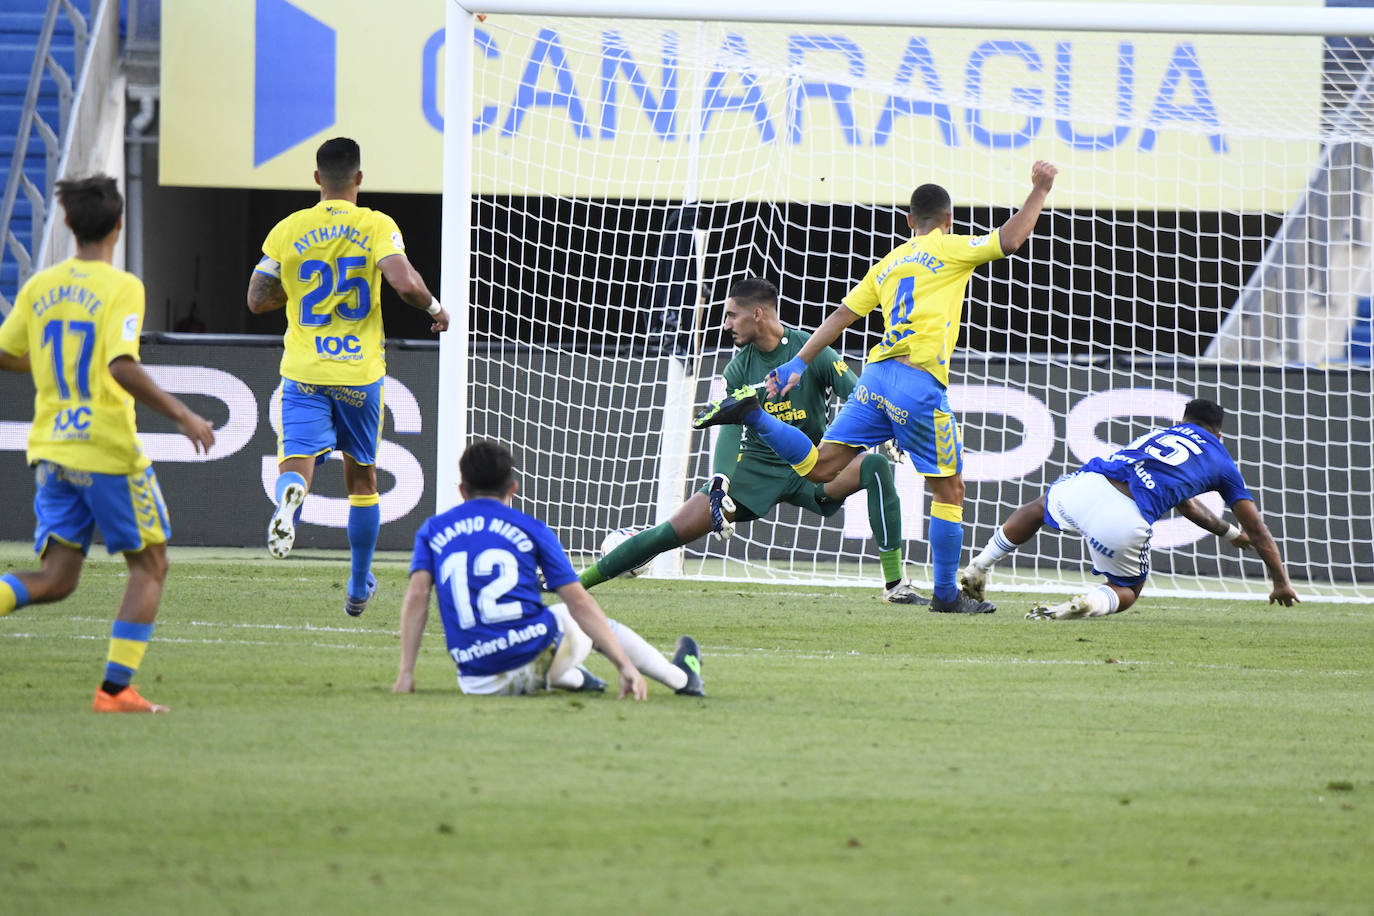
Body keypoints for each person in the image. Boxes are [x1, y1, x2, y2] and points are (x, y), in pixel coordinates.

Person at [694, 162, 1059, 614]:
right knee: (950, 490)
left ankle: (754, 416)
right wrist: (1041, 189)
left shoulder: (887, 264)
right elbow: (1011, 239)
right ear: (947, 220)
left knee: (820, 467)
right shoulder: (949, 246)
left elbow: (841, 317)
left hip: (875, 378)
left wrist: (797, 362)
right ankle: (946, 596)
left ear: (909, 222)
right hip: (916, 382)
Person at [0, 175, 216, 713]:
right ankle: (115, 690)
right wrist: (184, 413)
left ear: (68, 224)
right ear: (119, 225)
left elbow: (5, 353)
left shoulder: (39, 287)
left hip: (52, 447)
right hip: (105, 449)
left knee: (56, 578)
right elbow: (121, 365)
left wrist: (49, 365)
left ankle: (115, 690)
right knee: (150, 565)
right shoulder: (123, 287)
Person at [584, 276, 926, 604]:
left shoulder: (813, 353)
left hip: (814, 468)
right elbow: (731, 431)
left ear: (757, 314)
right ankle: (573, 582)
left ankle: (895, 585)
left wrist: (889, 428)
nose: (726, 324)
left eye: (732, 315)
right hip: (755, 471)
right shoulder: (737, 370)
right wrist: (719, 480)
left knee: (876, 466)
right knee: (667, 534)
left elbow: (859, 394)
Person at [246, 137, 449, 617]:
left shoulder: (287, 229)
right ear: (359, 178)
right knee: (362, 480)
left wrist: (294, 297)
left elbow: (257, 297)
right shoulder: (376, 224)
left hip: (303, 371)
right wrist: (437, 309)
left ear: (317, 178)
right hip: (359, 373)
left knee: (295, 460)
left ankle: (289, 501)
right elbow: (404, 284)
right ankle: (358, 586)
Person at [392, 440, 705, 699]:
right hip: (535, 657)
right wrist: (624, 665)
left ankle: (577, 679)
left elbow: (417, 596)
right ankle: (681, 678)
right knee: (575, 617)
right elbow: (579, 603)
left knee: (552, 625)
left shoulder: (432, 530)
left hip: (476, 681)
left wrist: (406, 673)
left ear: (462, 490)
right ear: (512, 488)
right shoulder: (532, 529)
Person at [958, 398, 1299, 619]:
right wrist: (1280, 581)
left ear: (1183, 420)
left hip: (1086, 485)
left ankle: (979, 565)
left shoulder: (1159, 435)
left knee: (1038, 507)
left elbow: (1189, 508)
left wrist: (1227, 532)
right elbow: (1258, 530)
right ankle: (1089, 603)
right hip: (1125, 517)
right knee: (1129, 589)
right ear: (1219, 434)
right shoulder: (1223, 463)